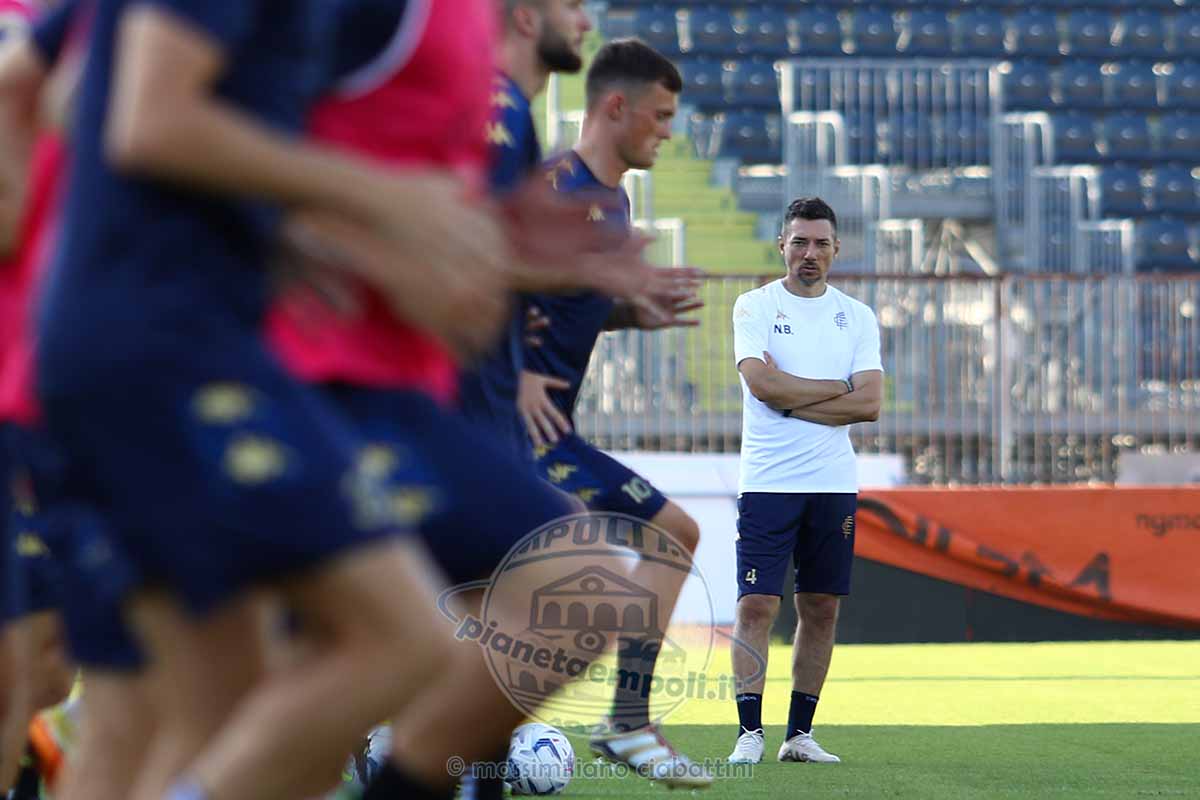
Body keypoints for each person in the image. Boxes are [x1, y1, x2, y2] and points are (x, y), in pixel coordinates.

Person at [32, 2, 515, 799]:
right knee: (401, 639)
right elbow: (148, 120)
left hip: (139, 336)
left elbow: (72, 92)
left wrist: (277, 233)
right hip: (167, 346)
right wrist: (383, 199)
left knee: (210, 719)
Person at [516, 37, 711, 789]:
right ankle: (626, 722)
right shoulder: (552, 188)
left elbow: (563, 303)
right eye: (660, 116)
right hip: (513, 428)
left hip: (551, 432)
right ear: (616, 106)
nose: (667, 131)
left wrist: (631, 315)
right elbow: (481, 275)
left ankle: (625, 721)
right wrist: (513, 372)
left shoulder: (613, 203)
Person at [726, 196, 883, 765]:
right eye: (799, 242)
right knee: (756, 605)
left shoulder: (858, 316)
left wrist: (794, 398)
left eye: (820, 243)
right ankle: (749, 732)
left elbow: (870, 404)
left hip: (832, 482)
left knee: (821, 607)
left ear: (837, 249)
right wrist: (837, 389)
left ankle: (798, 735)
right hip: (768, 480)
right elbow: (762, 386)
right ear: (782, 246)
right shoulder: (755, 306)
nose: (809, 253)